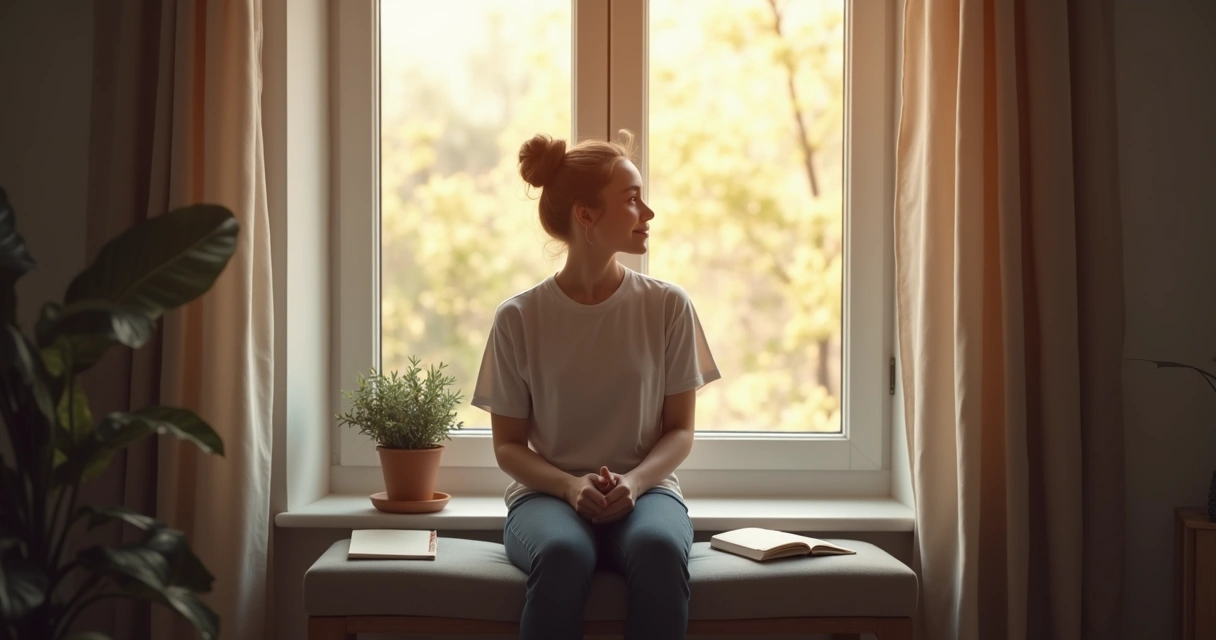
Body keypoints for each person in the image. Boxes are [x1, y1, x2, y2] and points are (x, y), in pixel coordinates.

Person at [471, 131, 721, 640]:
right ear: (584, 215)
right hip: (546, 497)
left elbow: (679, 432)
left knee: (658, 549)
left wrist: (634, 482)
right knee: (563, 554)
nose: (647, 212)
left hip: (647, 492)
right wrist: (568, 485)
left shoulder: (668, 307)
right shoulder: (519, 318)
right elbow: (508, 446)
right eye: (631, 199)